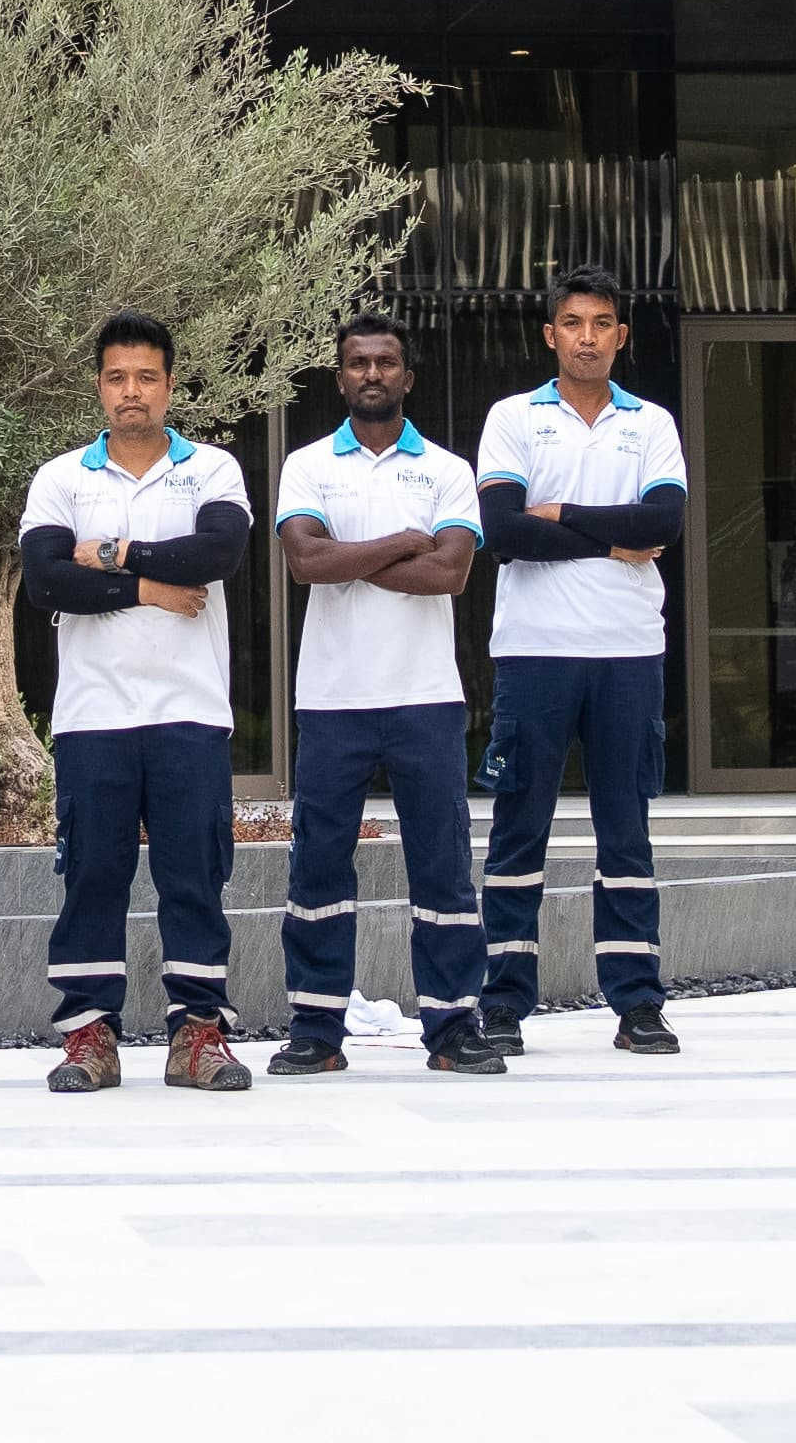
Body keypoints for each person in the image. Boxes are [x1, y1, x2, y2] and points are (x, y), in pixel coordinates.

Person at [18, 312, 258, 1095]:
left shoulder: (212, 469)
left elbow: (218, 552)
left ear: (170, 385)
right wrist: (151, 587)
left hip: (191, 709)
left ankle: (199, 1034)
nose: (132, 391)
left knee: (195, 876)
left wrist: (111, 555)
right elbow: (47, 580)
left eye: (146, 377)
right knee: (94, 874)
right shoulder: (62, 478)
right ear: (99, 385)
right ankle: (91, 1035)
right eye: (118, 377)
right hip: (95, 714)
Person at [267, 314, 507, 1079]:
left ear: (408, 375)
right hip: (331, 697)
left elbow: (451, 573)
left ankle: (453, 1028)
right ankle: (315, 1031)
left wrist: (350, 556)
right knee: (318, 868)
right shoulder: (307, 465)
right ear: (339, 378)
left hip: (424, 696)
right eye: (358, 362)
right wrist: (405, 540)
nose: (372, 373)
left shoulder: (446, 469)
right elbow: (305, 564)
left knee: (442, 867)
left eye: (386, 362)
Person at [473, 264, 689, 1059]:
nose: (587, 338)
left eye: (601, 324)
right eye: (573, 323)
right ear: (550, 334)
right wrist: (609, 538)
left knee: (626, 831)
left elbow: (662, 521)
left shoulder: (652, 423)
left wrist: (559, 512)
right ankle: (502, 1002)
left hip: (628, 650)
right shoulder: (512, 418)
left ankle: (638, 1004)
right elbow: (503, 530)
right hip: (534, 650)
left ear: (621, 336)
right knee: (517, 829)